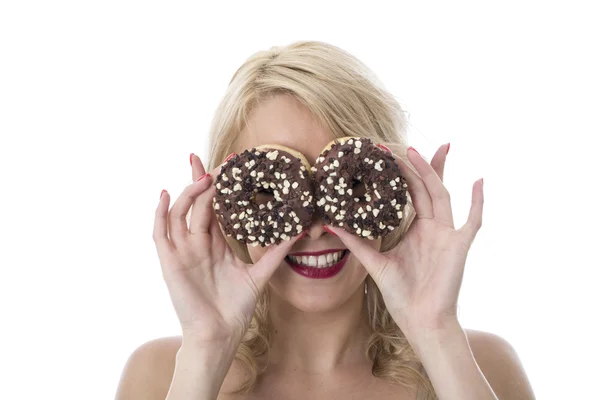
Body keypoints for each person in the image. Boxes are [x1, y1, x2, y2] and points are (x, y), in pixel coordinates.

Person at [115, 40, 535, 400]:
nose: (314, 225)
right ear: (221, 201)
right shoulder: (159, 376)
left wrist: (436, 332)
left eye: (346, 187)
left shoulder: (481, 367)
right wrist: (206, 350)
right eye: (271, 191)